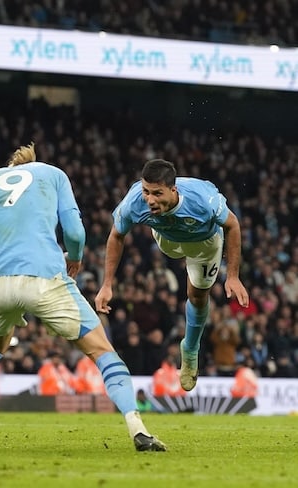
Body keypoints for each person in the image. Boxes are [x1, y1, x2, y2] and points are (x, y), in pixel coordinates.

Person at [0, 142, 166, 452]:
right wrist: (75, 256)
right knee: (102, 350)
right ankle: (138, 429)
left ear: (9, 167)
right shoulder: (53, 174)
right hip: (42, 276)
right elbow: (75, 233)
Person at [94, 159, 250, 392]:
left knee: (197, 296)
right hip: (167, 241)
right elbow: (116, 235)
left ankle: (189, 349)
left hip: (203, 244)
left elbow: (233, 225)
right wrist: (106, 284)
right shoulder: (134, 202)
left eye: (157, 193)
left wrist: (233, 276)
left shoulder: (202, 200)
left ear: (173, 190)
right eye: (146, 191)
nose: (149, 199)